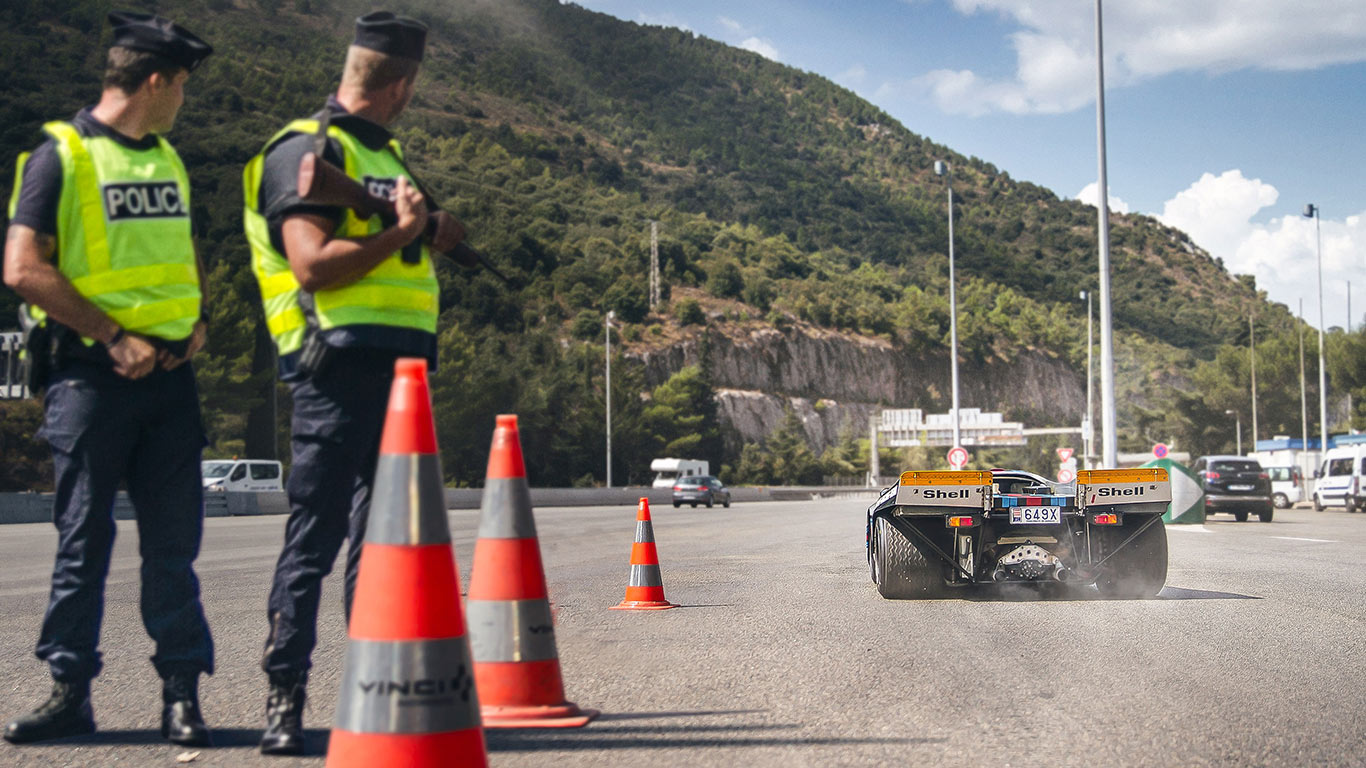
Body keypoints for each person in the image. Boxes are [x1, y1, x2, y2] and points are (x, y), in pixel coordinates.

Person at [241, 10, 464, 755]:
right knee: (316, 538)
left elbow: (388, 239)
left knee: (385, 549)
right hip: (335, 368)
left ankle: (379, 696)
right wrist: (402, 233)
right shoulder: (308, 149)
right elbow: (312, 264)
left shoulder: (387, 155)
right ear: (401, 84)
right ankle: (285, 696)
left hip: (402, 378)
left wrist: (429, 230)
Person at [2, 11, 215, 747]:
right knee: (82, 542)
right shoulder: (60, 156)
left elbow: (180, 251)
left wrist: (199, 319)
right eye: (181, 85)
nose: (184, 99)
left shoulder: (167, 159)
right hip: (92, 379)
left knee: (172, 547)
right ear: (154, 81)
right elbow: (23, 267)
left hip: (169, 382)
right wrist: (112, 335)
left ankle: (181, 695)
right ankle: (69, 691)